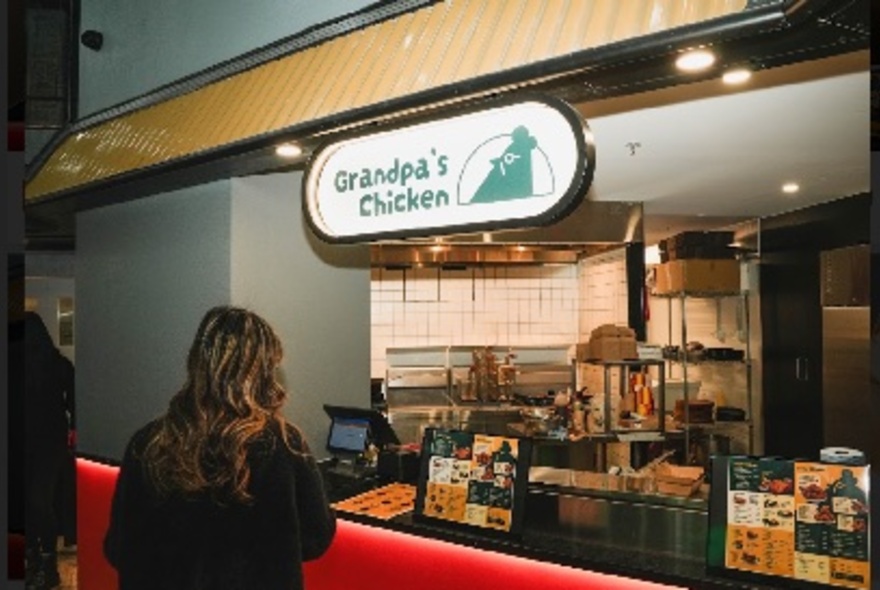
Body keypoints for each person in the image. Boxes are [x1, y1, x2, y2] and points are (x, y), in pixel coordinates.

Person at [104, 306, 336, 590]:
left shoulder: (148, 443)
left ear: (197, 362)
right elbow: (315, 538)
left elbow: (118, 549)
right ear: (262, 370)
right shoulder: (284, 444)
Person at [24, 312, 75, 590]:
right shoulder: (59, 365)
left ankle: (47, 562)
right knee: (32, 501)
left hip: (48, 443)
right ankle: (34, 557)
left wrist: (73, 431)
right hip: (36, 441)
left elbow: (75, 399)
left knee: (38, 501)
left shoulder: (58, 366)